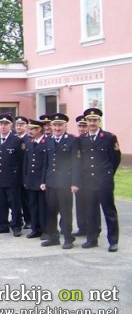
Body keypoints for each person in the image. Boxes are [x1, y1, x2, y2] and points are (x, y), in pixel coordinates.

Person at [79, 108, 121, 252]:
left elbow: (115, 158)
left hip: (104, 181)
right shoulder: (82, 139)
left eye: (95, 120)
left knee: (109, 211)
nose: (92, 123)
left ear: (99, 121)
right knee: (91, 211)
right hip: (88, 181)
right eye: (89, 120)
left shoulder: (109, 137)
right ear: (86, 122)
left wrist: (108, 173)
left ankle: (113, 241)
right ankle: (92, 239)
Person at [40, 113, 80, 249]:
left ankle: (68, 238)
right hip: (51, 182)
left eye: (60, 125)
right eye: (55, 125)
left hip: (65, 183)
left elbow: (76, 163)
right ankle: (53, 237)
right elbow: (45, 163)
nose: (57, 128)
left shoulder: (72, 141)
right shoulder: (49, 140)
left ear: (65, 126)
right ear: (51, 126)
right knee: (50, 211)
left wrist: (75, 183)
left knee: (65, 212)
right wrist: (43, 181)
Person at [0, 114, 24, 237]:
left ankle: (16, 226)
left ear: (10, 125)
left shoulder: (17, 140)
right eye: (1, 124)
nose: (3, 126)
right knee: (0, 202)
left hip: (12, 178)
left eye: (6, 124)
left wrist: (21, 178)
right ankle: (3, 225)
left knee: (14, 203)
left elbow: (21, 161)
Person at [22, 119, 47, 239]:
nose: (30, 131)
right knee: (33, 205)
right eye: (29, 129)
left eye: (32, 129)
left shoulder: (47, 142)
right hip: (31, 179)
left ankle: (45, 229)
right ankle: (35, 229)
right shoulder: (29, 143)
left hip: (41, 180)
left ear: (39, 129)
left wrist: (44, 181)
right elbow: (26, 163)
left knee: (43, 207)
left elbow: (46, 164)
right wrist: (25, 179)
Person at [73, 115, 90, 237]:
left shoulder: (91, 139)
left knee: (91, 204)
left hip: (92, 177)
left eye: (84, 126)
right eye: (80, 126)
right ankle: (82, 227)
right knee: (80, 204)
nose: (82, 128)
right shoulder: (76, 140)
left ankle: (94, 228)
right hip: (79, 177)